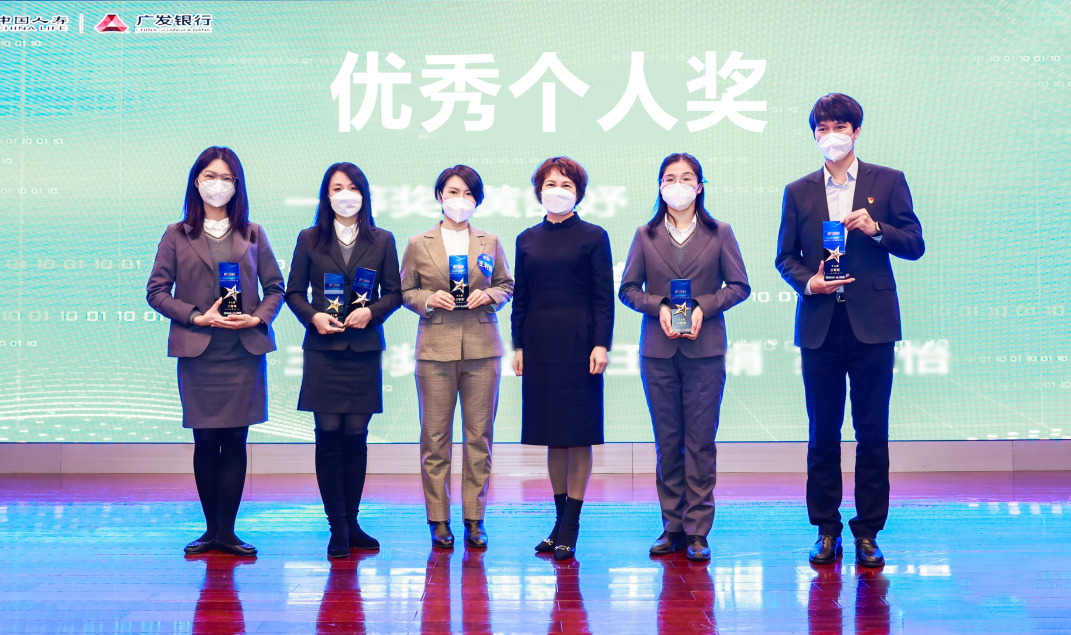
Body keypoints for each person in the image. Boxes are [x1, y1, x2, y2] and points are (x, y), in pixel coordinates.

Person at [775, 93, 925, 568]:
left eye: (839, 127)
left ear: (856, 131)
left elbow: (914, 243)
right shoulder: (798, 191)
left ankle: (868, 531)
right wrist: (810, 282)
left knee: (872, 431)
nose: (831, 136)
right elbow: (785, 258)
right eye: (822, 129)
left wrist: (877, 228)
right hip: (820, 324)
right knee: (822, 433)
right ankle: (826, 528)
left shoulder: (889, 180)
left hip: (872, 325)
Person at [147, 146, 284, 557]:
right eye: (210, 176)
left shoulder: (253, 233)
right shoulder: (176, 233)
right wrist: (195, 316)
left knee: (236, 441)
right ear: (196, 181)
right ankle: (210, 531)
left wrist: (256, 318)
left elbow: (275, 288)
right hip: (199, 353)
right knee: (206, 441)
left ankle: (228, 532)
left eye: (226, 178)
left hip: (243, 351)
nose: (217, 185)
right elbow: (156, 291)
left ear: (236, 185)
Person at [619, 152, 750, 562]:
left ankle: (697, 530)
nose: (678, 185)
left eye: (686, 177)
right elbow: (628, 289)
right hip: (658, 352)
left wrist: (702, 307)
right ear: (660, 187)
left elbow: (739, 286)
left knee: (700, 442)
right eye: (669, 178)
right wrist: (658, 305)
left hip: (705, 350)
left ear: (700, 186)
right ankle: (672, 525)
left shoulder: (720, 232)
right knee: (668, 441)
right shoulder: (645, 234)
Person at [284, 162, 402, 558]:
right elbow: (293, 292)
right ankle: (336, 526)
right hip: (324, 351)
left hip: (364, 350)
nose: (345, 194)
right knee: (328, 438)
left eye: (352, 187)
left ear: (364, 195)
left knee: (356, 438)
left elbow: (395, 293)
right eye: (337, 188)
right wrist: (313, 316)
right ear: (326, 195)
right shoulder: (309, 238)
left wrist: (373, 312)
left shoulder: (382, 239)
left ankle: (352, 522)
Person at [400, 165, 514, 549]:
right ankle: (438, 519)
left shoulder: (489, 241)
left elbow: (506, 284)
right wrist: (428, 298)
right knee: (435, 439)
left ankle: (475, 519)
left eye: (468, 193)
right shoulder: (419, 243)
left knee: (479, 438)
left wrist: (491, 295)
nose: (460, 200)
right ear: (439, 196)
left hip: (482, 348)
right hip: (435, 348)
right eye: (453, 191)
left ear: (477, 200)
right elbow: (405, 290)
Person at [511, 156, 614, 561]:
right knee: (552, 434)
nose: (557, 191)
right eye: (550, 184)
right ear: (539, 190)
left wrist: (601, 344)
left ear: (579, 193)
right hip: (539, 345)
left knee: (578, 434)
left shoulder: (594, 236)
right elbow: (521, 299)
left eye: (566, 185)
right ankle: (558, 523)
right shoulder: (526, 239)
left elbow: (603, 297)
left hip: (580, 344)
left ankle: (571, 525)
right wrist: (518, 346)